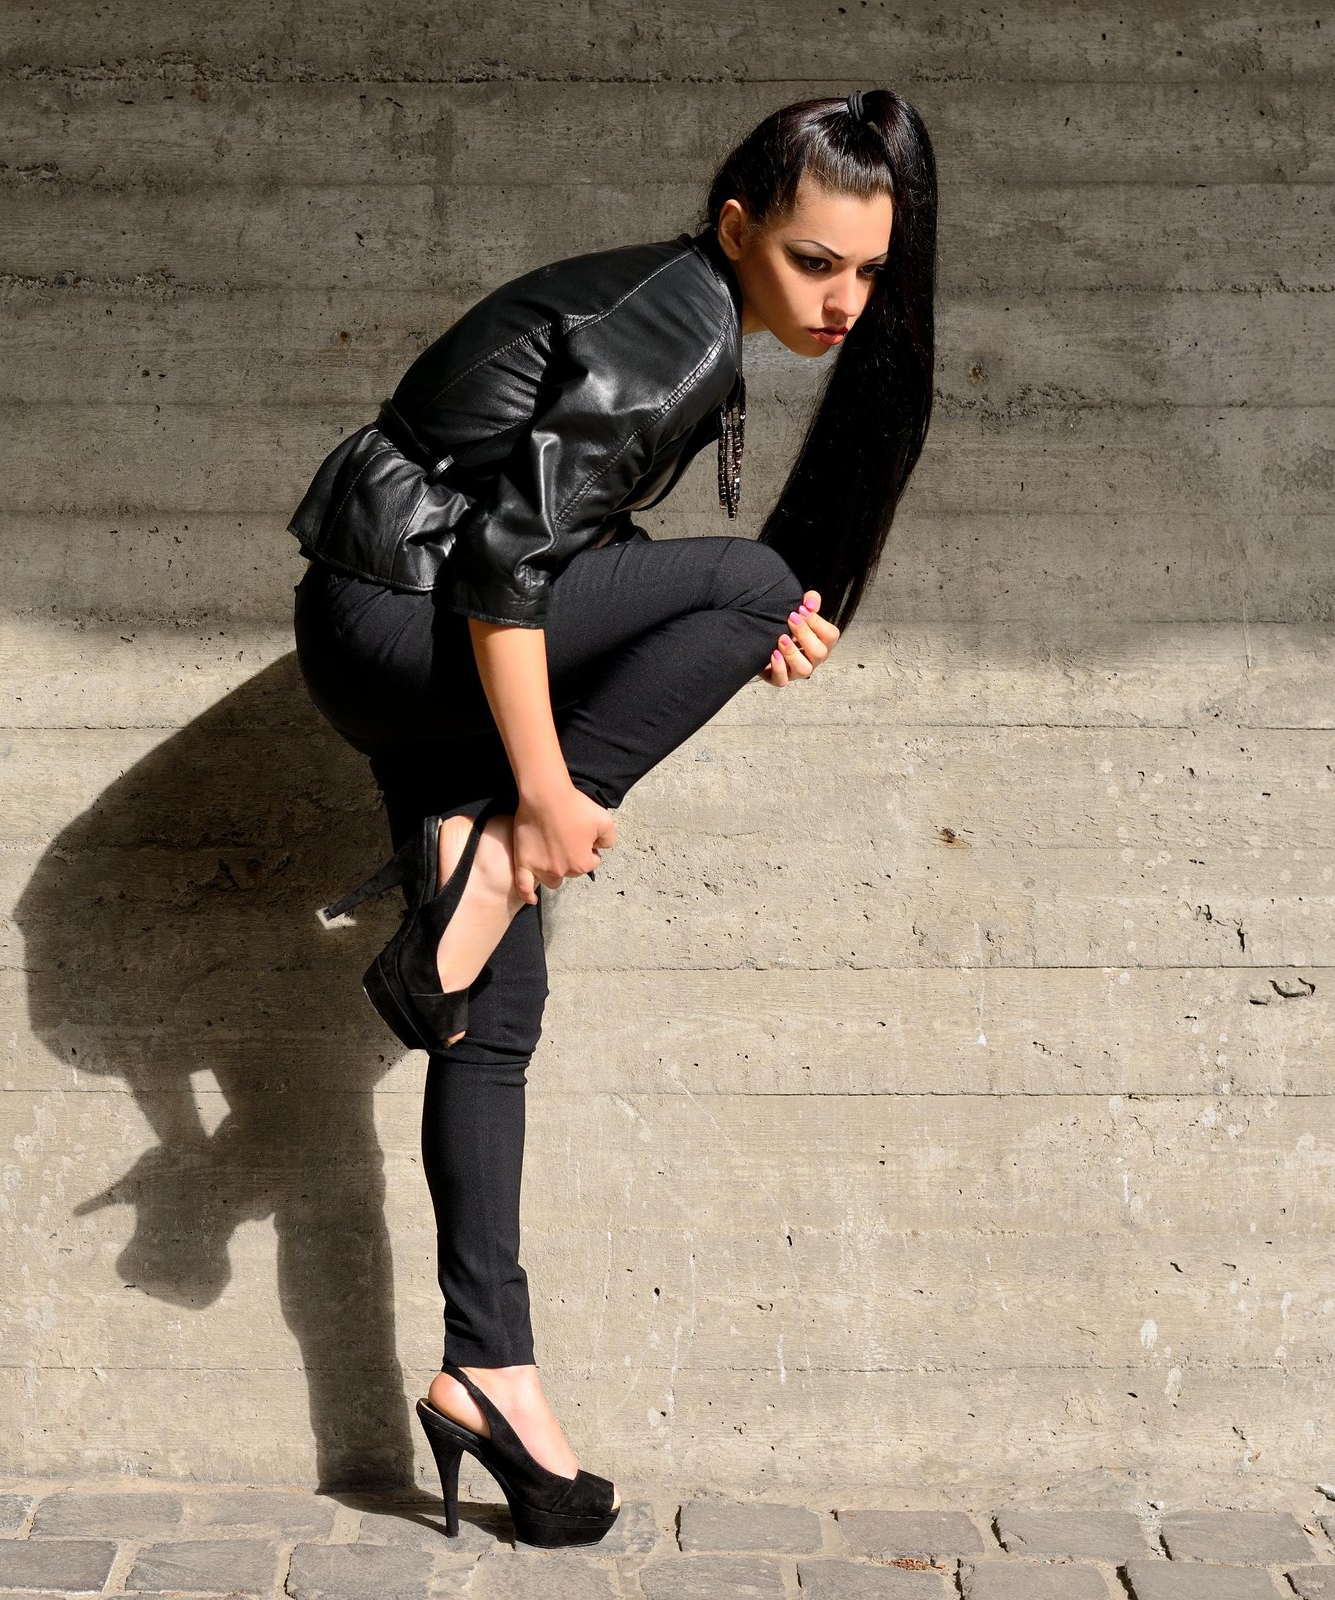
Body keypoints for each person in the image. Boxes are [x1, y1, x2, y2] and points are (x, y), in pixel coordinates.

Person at [290, 90, 938, 1546]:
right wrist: (544, 802)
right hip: (406, 622)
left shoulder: (690, 320)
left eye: (868, 273)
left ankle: (488, 1373)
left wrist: (707, 622)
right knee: (759, 581)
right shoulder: (679, 330)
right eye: (814, 261)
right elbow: (511, 567)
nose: (840, 301)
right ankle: (498, 859)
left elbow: (558, 542)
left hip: (397, 625)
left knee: (487, 1020)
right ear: (737, 230)